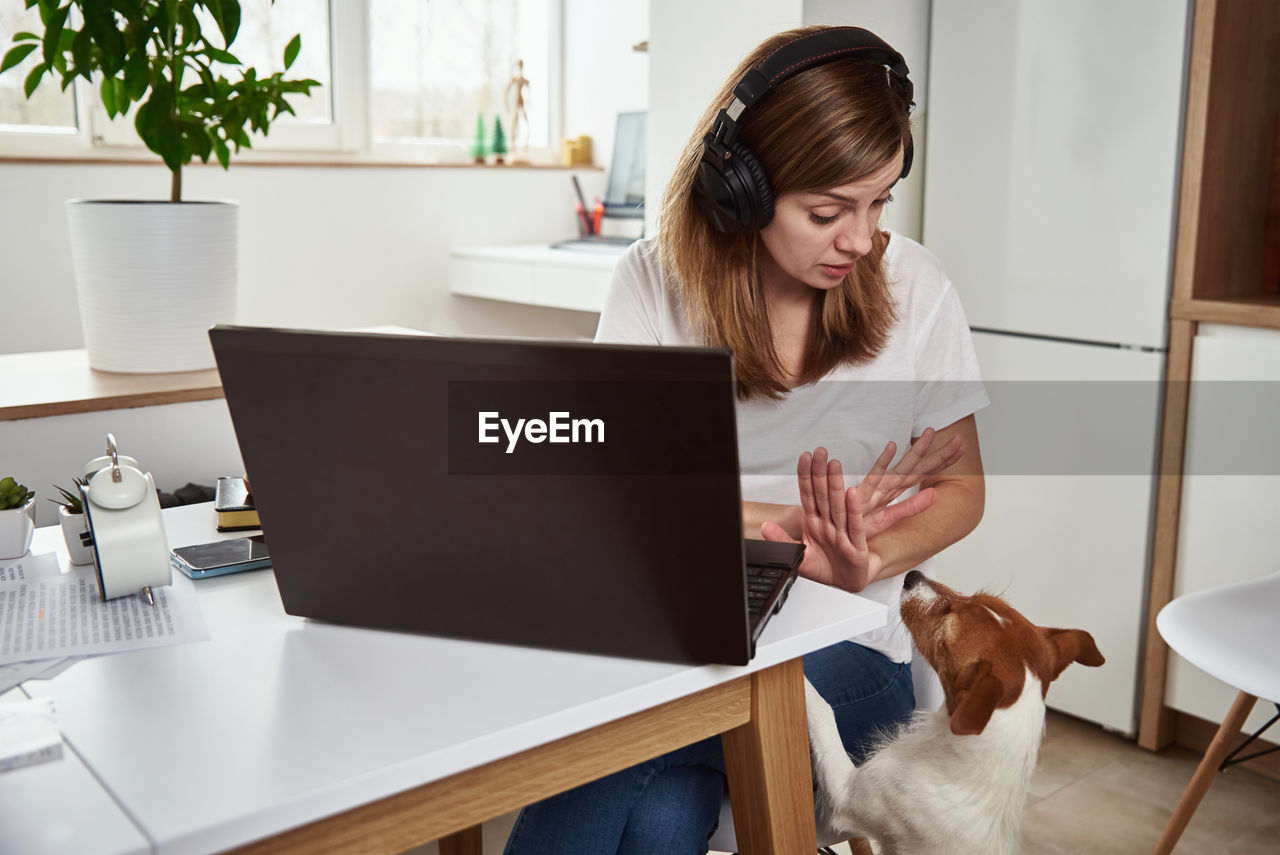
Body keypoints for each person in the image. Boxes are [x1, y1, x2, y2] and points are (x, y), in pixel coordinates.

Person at [503, 25, 988, 855]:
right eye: (829, 211)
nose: (863, 239)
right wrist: (796, 526)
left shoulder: (917, 286)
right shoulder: (651, 283)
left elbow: (963, 489)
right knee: (660, 818)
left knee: (603, 747)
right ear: (744, 189)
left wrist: (864, 559)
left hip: (846, 648)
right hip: (681, 637)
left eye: (879, 203)